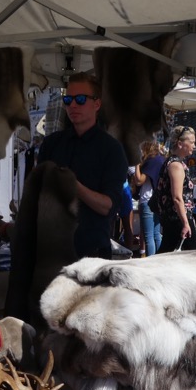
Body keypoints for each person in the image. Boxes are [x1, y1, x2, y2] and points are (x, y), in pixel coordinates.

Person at [37, 73, 128, 259]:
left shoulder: (112, 150)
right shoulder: (51, 144)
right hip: (51, 250)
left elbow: (108, 207)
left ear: (97, 104)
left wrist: (74, 186)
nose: (72, 105)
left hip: (90, 254)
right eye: (68, 99)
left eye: (80, 99)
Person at [154, 125, 196, 253]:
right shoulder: (176, 166)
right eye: (191, 142)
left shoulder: (173, 162)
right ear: (180, 143)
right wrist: (186, 223)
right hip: (178, 219)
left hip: (174, 219)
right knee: (193, 256)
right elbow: (177, 198)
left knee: (166, 253)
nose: (194, 146)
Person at [132, 140, 166, 256]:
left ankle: (152, 262)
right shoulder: (161, 160)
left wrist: (136, 163)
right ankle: (161, 261)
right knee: (157, 234)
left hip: (147, 200)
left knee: (148, 236)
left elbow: (139, 180)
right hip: (158, 200)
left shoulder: (151, 161)